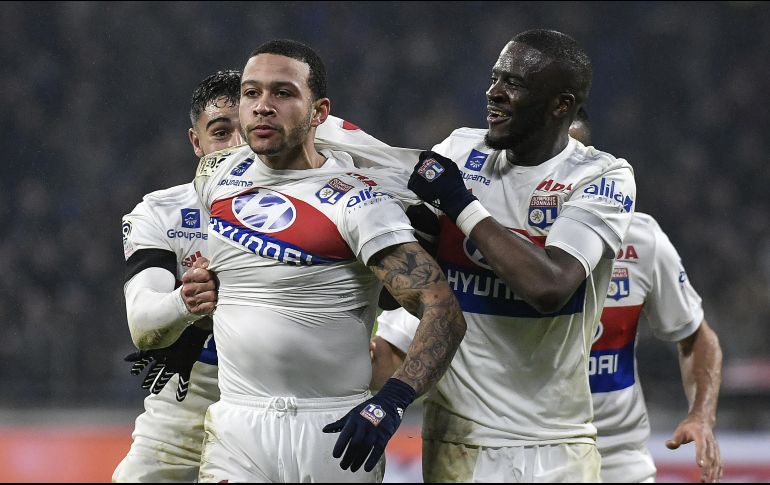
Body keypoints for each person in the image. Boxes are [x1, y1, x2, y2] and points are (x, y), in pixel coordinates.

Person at [373, 110, 724, 483]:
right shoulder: (471, 243)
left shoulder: (641, 239)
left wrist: (701, 415)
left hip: (618, 460)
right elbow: (394, 350)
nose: (552, 178)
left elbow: (695, 335)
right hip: (510, 447)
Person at [192, 39, 466, 483]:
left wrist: (391, 401)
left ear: (319, 112)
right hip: (237, 428)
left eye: (283, 93)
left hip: (333, 431)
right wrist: (192, 311)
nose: (262, 106)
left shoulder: (359, 203)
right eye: (251, 93)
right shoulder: (216, 175)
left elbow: (443, 311)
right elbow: (240, 282)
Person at [394, 29, 638, 482]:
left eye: (515, 83)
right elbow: (400, 286)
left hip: (555, 445)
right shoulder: (459, 150)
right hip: (456, 440)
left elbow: (549, 286)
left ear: (560, 104)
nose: (494, 92)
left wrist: (460, 204)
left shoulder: (601, 176)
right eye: (495, 78)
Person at [114, 70, 244, 483]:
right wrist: (186, 303)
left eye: (247, 132)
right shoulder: (162, 213)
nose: (237, 146)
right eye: (221, 133)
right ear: (196, 142)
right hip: (187, 404)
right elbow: (143, 323)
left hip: (274, 402)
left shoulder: (311, 208)